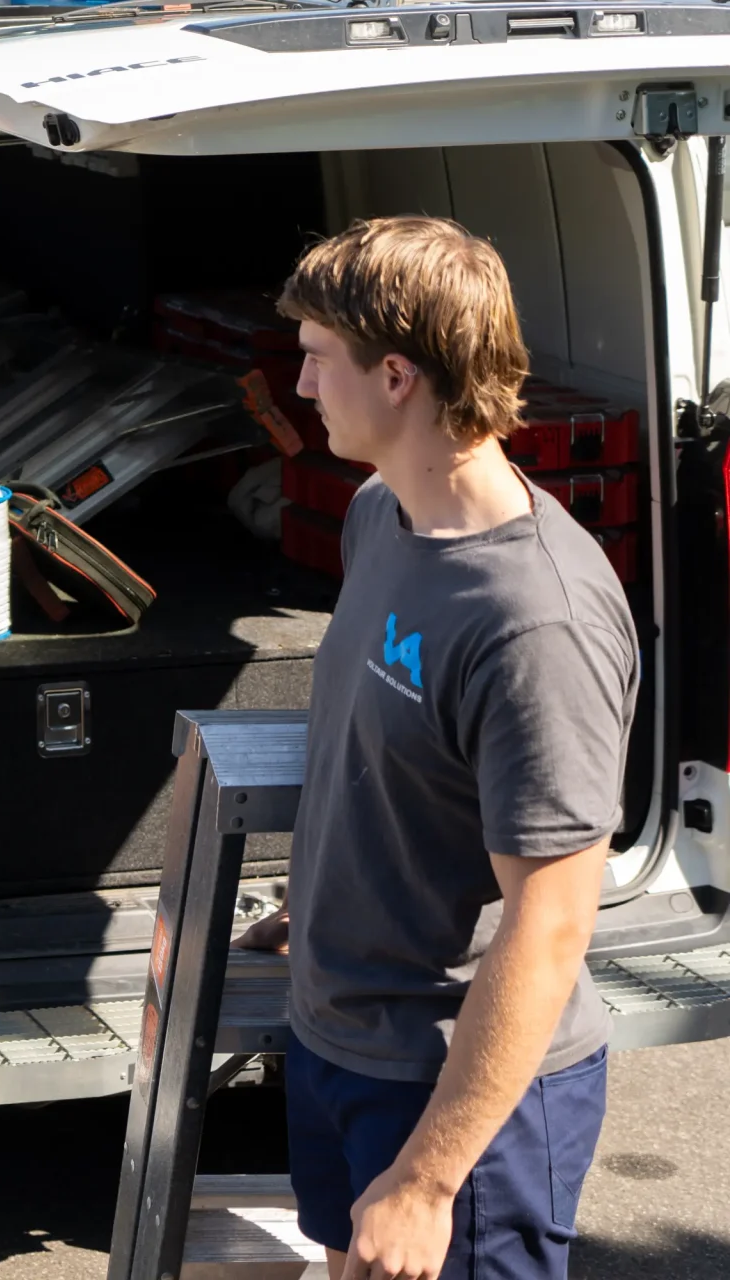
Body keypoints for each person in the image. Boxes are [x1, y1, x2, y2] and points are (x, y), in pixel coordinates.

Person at [236, 217, 638, 1280]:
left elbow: (551, 926)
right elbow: (385, 756)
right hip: (339, 1041)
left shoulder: (534, 621)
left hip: (457, 1094)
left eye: (317, 358)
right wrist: (326, 899)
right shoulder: (382, 514)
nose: (302, 386)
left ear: (397, 375)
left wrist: (427, 1177)